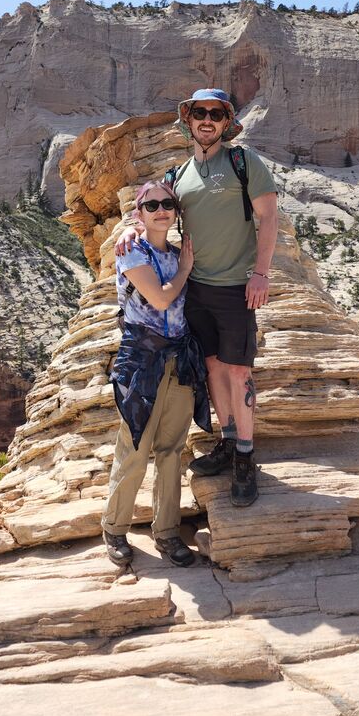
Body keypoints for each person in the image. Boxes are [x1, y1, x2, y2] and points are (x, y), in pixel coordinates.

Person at [116, 89, 278, 507]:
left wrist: (260, 274)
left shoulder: (244, 163)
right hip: (196, 290)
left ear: (226, 123)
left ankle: (245, 456)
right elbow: (154, 207)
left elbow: (269, 218)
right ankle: (227, 442)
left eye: (216, 114)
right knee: (212, 368)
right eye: (200, 113)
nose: (207, 120)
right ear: (187, 121)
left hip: (236, 287)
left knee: (239, 372)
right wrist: (132, 230)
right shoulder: (178, 176)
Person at [102, 180, 211, 568]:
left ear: (176, 212)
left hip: (179, 359)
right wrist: (184, 269)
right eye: (152, 206)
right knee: (134, 447)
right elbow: (162, 298)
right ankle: (114, 529)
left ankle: (166, 533)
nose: (161, 209)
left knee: (171, 451)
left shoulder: (177, 252)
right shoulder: (133, 250)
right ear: (139, 214)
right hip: (141, 360)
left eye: (168, 204)